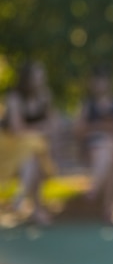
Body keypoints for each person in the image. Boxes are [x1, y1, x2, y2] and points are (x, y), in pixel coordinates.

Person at [73, 65, 113, 224]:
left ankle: (94, 188)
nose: (99, 84)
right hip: (93, 150)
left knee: (110, 147)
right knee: (109, 155)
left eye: (103, 81)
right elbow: (77, 130)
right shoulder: (87, 105)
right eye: (96, 81)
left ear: (109, 83)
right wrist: (99, 127)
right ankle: (108, 211)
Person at [0, 61, 58, 225]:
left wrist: (35, 130)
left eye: (42, 76)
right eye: (37, 76)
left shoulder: (45, 96)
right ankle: (35, 208)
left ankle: (22, 198)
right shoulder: (14, 98)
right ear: (27, 79)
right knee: (34, 146)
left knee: (33, 155)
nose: (41, 79)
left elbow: (53, 124)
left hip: (29, 150)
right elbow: (17, 130)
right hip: (9, 147)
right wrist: (40, 129)